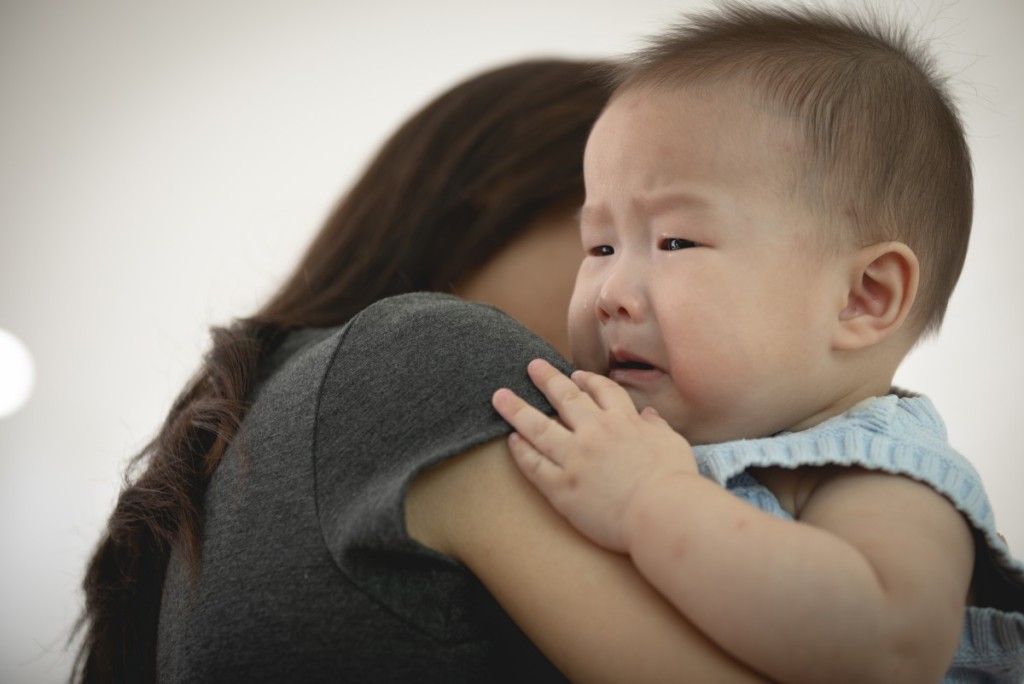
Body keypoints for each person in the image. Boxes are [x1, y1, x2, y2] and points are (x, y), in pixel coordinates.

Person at [491, 5, 1024, 683]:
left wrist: (648, 502)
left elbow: (889, 646)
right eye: (599, 245)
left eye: (675, 241)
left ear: (863, 297)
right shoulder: (637, 443)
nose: (609, 292)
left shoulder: (877, 469)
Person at [71, 58, 623, 683]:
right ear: (496, 194)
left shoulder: (266, 414)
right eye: (611, 238)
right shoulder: (427, 357)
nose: (640, 289)